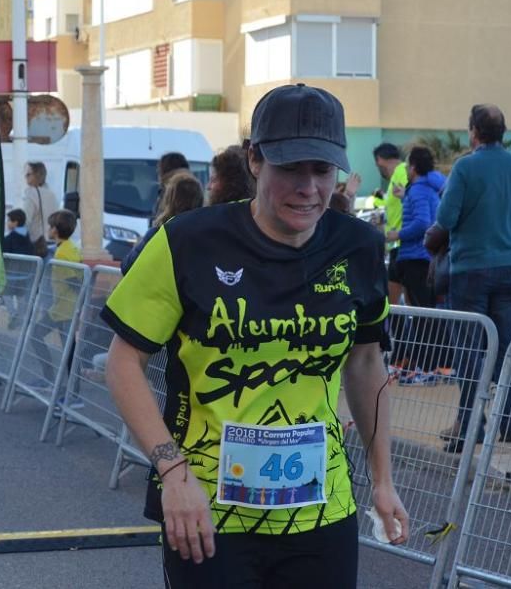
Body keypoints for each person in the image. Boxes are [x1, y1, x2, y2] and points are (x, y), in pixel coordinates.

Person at [101, 83, 408, 588]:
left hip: (321, 510)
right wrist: (172, 474)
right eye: (290, 167)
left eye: (322, 169)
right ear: (255, 160)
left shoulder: (359, 246)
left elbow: (365, 363)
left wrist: (382, 479)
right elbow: (123, 361)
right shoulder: (187, 241)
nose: (308, 187)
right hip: (207, 512)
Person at [435, 104, 511, 452]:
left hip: (470, 269)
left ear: (473, 131)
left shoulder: (465, 167)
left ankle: (472, 425)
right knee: (507, 347)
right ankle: (510, 420)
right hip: (510, 267)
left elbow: (446, 216)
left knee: (469, 349)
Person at [386, 146, 446, 385]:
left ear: (413, 167)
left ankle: (428, 367)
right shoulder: (428, 189)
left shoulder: (420, 190)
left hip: (415, 258)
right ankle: (434, 366)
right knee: (426, 313)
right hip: (423, 258)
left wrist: (397, 234)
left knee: (421, 315)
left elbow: (422, 222)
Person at [29, 209, 82, 384]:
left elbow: (75, 281)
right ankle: (67, 390)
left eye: (50, 226)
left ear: (55, 230)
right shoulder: (71, 247)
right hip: (65, 307)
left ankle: (57, 385)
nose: (48, 229)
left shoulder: (62, 253)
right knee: (69, 350)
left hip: (63, 309)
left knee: (37, 336)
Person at [121, 171, 204, 274]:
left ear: (169, 200)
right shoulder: (206, 235)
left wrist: (137, 245)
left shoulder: (160, 233)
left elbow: (127, 267)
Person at [373, 143, 408, 307]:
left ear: (379, 160)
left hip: (403, 243)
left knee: (399, 303)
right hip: (398, 245)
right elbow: (395, 204)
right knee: (397, 302)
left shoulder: (402, 172)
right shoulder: (398, 174)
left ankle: (397, 332)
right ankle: (397, 331)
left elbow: (410, 198)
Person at [21, 161, 58, 259]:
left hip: (36, 244)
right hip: (52, 242)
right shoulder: (52, 194)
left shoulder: (31, 193)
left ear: (37, 175)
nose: (25, 177)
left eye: (28, 174)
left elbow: (25, 221)